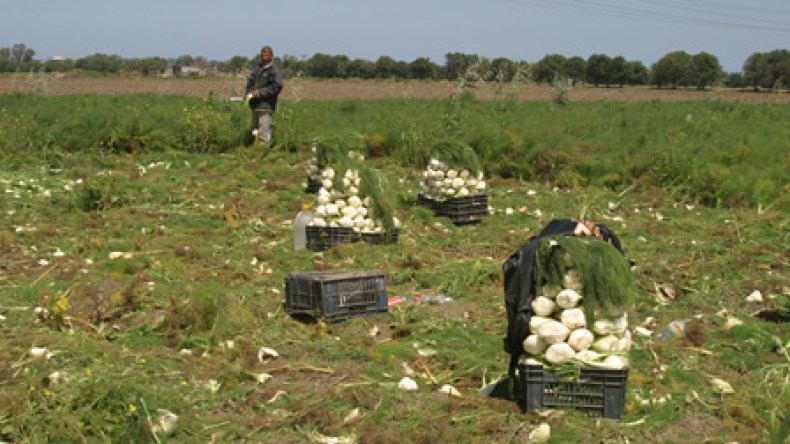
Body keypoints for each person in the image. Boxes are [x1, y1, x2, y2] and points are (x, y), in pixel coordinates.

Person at [245, 45, 283, 145]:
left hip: (266, 105)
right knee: (254, 129)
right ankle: (254, 148)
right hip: (255, 105)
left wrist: (260, 93)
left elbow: (277, 86)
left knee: (263, 131)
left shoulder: (274, 70)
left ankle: (263, 152)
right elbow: (250, 83)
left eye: (267, 54)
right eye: (263, 54)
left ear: (271, 56)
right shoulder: (257, 70)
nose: (264, 56)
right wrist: (248, 93)